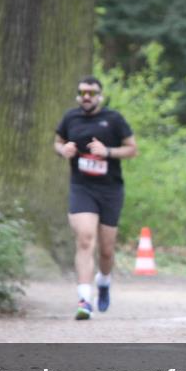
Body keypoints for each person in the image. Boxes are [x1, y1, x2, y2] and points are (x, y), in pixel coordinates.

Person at [54, 76, 137, 320]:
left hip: (110, 190)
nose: (87, 97)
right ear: (78, 96)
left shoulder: (114, 119)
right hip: (82, 188)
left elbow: (132, 149)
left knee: (107, 250)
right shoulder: (70, 118)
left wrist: (107, 151)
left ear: (100, 96)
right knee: (85, 239)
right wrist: (63, 150)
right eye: (83, 93)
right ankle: (84, 300)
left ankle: (104, 281)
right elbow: (58, 142)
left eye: (91, 93)